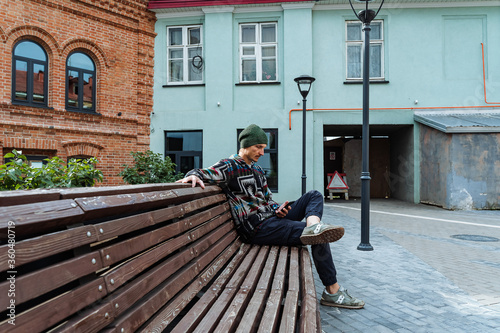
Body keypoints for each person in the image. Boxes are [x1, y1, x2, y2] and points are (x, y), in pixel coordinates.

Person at [176, 124, 364, 309]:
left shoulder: (257, 170)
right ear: (245, 145)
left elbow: (267, 199)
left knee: (314, 195)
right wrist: (192, 175)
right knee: (320, 237)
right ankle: (332, 291)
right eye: (258, 147)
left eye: (264, 148)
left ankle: (313, 225)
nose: (262, 153)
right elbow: (204, 172)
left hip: (272, 217)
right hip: (257, 228)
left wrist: (277, 208)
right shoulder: (230, 165)